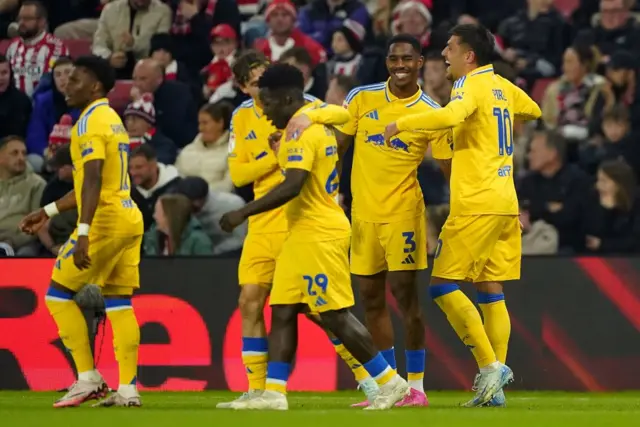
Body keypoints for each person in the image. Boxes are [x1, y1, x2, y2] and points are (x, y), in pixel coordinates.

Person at [220, 63, 410, 411]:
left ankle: (391, 382)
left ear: (289, 97)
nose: (265, 111)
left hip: (319, 232)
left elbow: (293, 186)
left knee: (335, 314)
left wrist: (242, 212)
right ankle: (274, 394)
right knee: (282, 309)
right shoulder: (311, 121)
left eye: (269, 103)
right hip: (300, 233)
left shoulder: (301, 130)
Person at [384, 24, 542, 407]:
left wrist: (401, 123)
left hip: (476, 202)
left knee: (442, 285)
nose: (444, 55)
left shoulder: (469, 86)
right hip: (505, 202)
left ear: (469, 55)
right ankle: (495, 390)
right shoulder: (501, 86)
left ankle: (490, 367)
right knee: (490, 289)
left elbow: (452, 115)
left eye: (450, 49)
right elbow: (533, 109)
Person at [330, 34, 453, 408]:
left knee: (405, 298)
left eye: (407, 59)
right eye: (393, 58)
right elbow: (337, 147)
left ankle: (416, 387)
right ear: (387, 62)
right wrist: (328, 188)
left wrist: (460, 206)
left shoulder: (431, 109)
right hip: (362, 214)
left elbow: (448, 166)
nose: (400, 65)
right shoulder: (361, 98)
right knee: (369, 298)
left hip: (403, 214)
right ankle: (390, 383)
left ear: (420, 63)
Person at [18, 55, 144, 408]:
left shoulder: (88, 123)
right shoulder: (112, 119)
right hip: (128, 215)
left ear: (95, 87)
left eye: (75, 79)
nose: (66, 85)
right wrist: (47, 211)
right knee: (119, 303)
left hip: (104, 221)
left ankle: (88, 377)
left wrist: (84, 231)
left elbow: (91, 180)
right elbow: (91, 184)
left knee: (57, 295)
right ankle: (128, 388)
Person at [143, 193, 214, 256]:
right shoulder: (152, 238)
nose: (154, 216)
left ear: (169, 216)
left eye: (158, 212)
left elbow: (206, 269)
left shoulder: (199, 242)